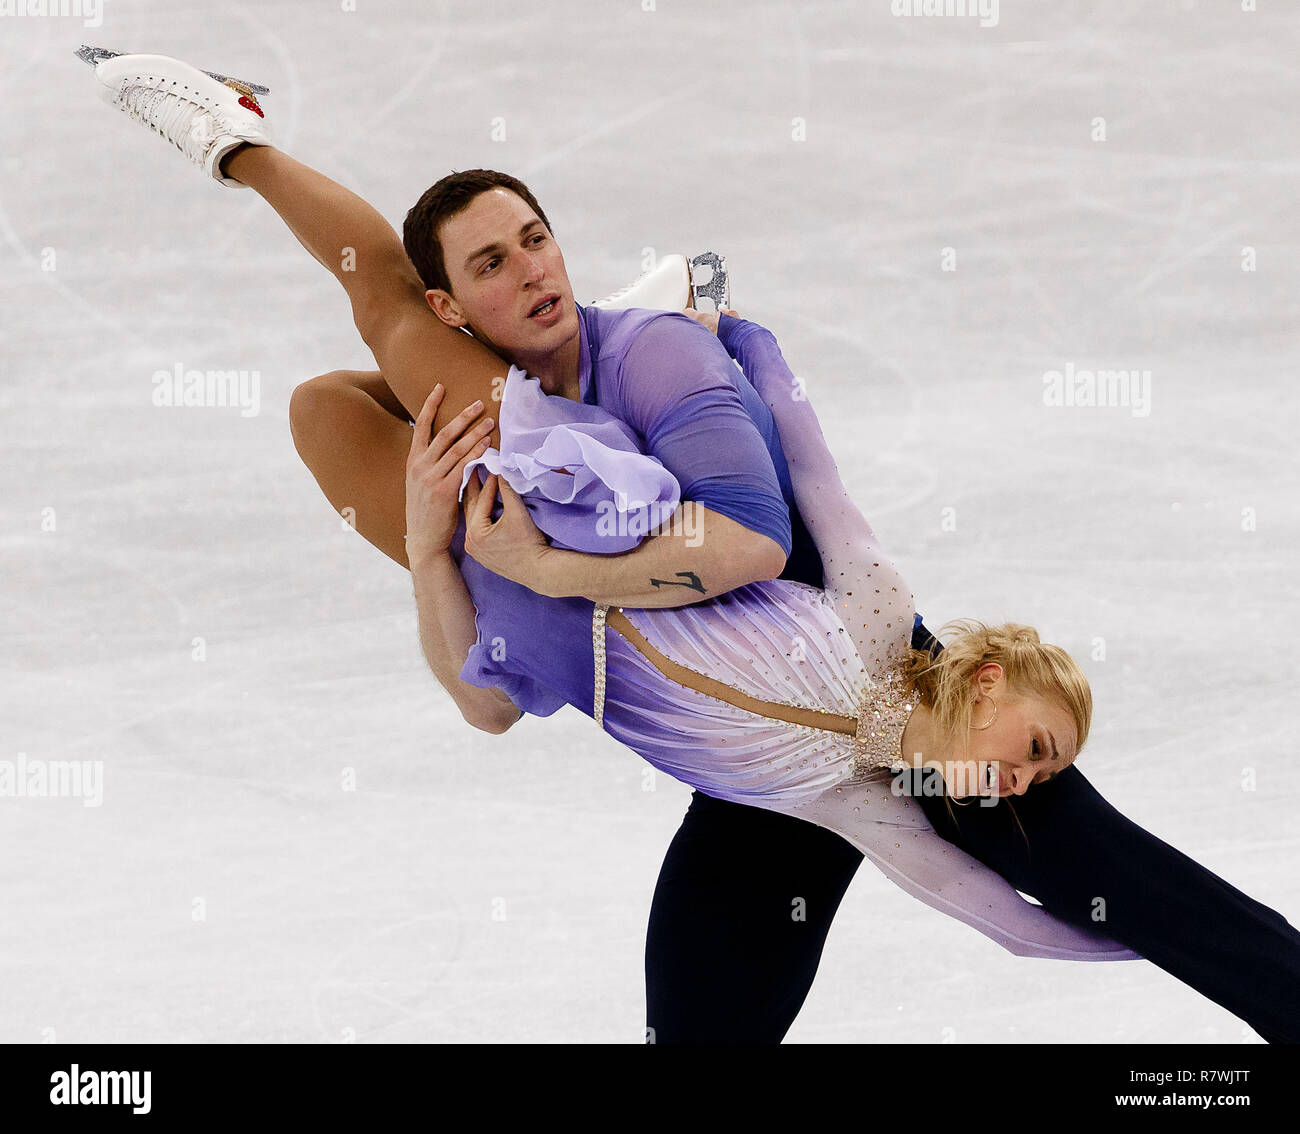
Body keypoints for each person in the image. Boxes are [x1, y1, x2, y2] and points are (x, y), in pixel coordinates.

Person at [89, 52, 1300, 1042]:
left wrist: (727, 363)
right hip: (706, 715)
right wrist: (433, 538)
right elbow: (486, 703)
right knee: (337, 391)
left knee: (1099, 862)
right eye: (494, 261)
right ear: (458, 304)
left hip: (777, 623)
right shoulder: (492, 463)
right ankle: (234, 141)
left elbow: (768, 535)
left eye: (534, 240)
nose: (528, 264)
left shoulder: (687, 404)